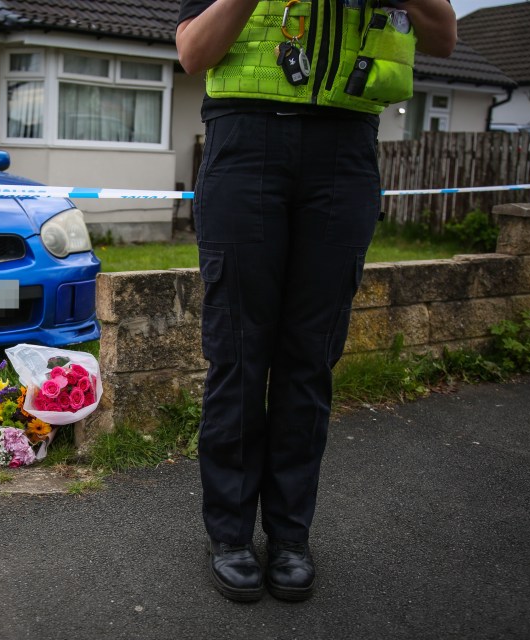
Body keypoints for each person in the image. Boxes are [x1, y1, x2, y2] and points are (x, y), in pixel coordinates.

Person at [176, 0, 456, 602]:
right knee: (239, 352)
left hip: (345, 148)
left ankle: (290, 536)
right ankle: (229, 535)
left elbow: (445, 36)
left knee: (310, 357)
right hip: (244, 139)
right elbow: (193, 51)